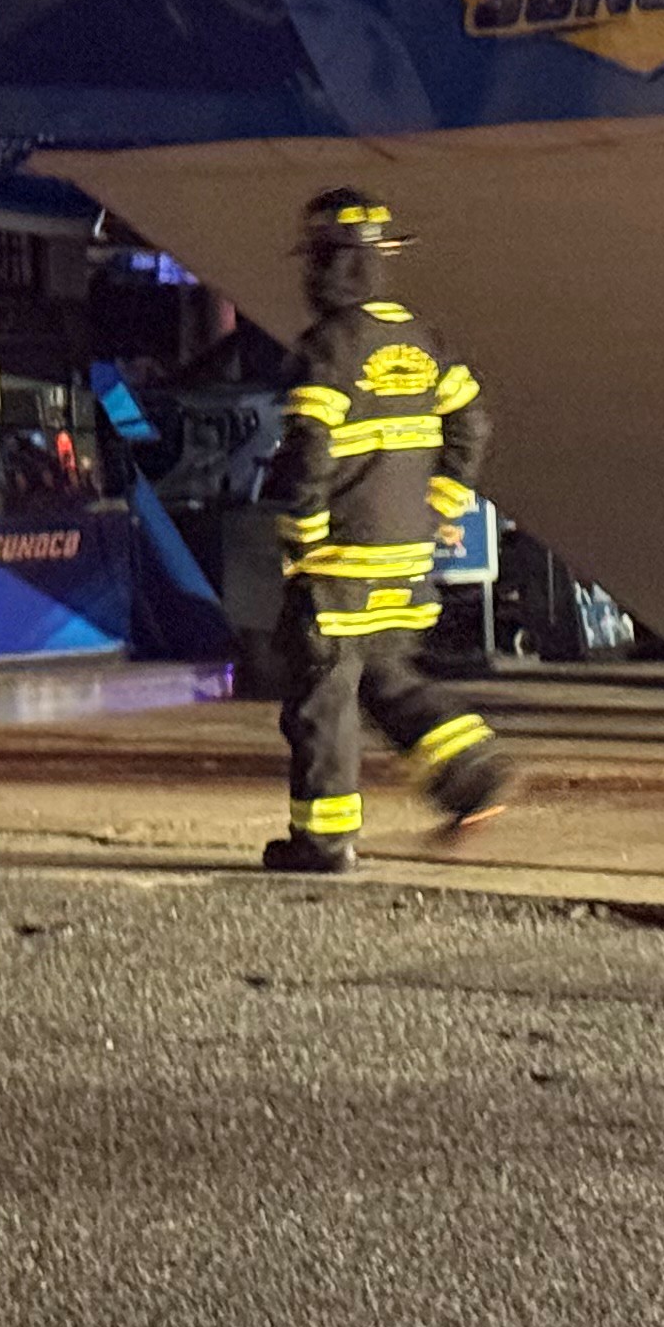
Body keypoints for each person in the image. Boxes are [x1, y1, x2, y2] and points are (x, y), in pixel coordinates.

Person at [258, 186, 514, 873]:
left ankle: (324, 840)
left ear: (320, 264)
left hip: (340, 561)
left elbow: (308, 454)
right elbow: (473, 423)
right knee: (387, 678)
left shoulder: (327, 349)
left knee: (323, 700)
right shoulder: (421, 340)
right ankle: (474, 771)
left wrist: (303, 538)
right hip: (406, 554)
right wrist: (444, 504)